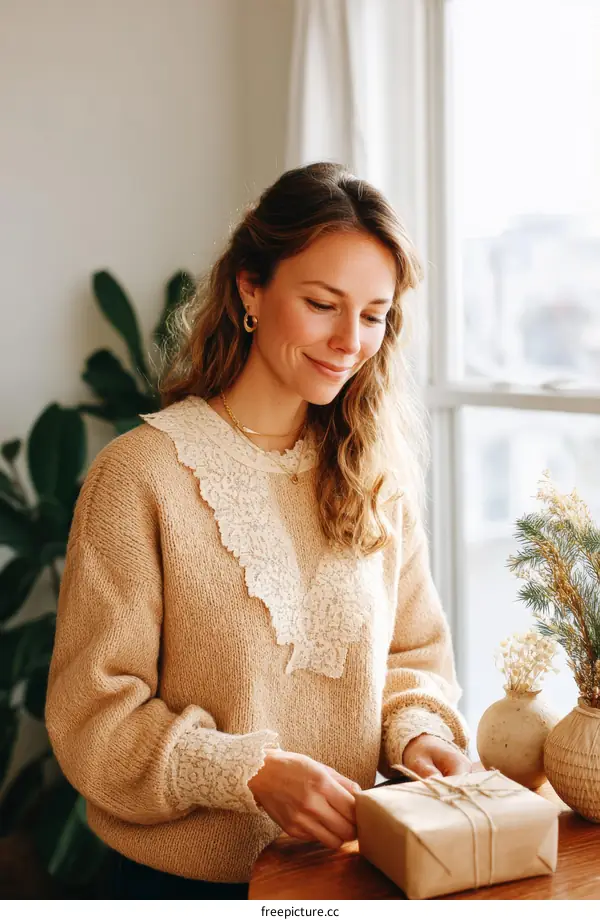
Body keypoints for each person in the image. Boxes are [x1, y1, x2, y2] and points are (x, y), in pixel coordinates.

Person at [45, 162, 472, 899]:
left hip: (351, 875)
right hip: (183, 889)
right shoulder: (141, 475)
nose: (349, 341)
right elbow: (93, 717)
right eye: (321, 303)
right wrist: (248, 771)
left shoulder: (374, 475)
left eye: (374, 315)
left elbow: (412, 656)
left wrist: (420, 734)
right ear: (251, 288)